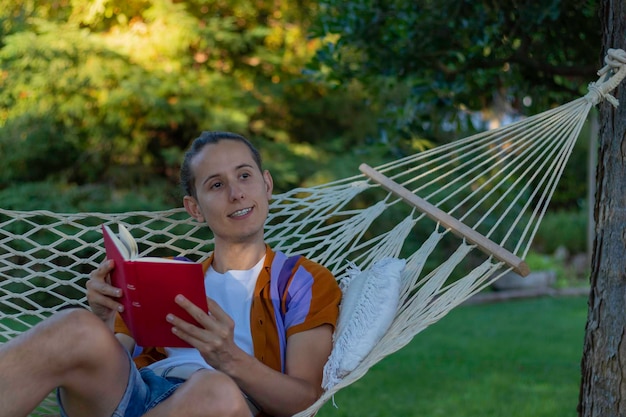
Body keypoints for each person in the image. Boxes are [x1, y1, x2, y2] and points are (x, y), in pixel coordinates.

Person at [0, 131, 342, 417]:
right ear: (194, 207)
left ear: (266, 184)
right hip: (135, 394)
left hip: (217, 403)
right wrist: (103, 322)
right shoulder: (167, 275)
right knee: (75, 325)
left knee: (215, 391)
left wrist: (228, 358)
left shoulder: (301, 281)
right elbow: (116, 361)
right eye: (216, 185)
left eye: (244, 175)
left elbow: (305, 399)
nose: (236, 193)